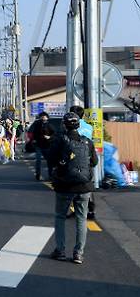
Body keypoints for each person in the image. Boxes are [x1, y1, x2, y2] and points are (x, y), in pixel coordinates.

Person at [47, 112, 98, 264]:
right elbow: (94, 162)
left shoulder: (59, 140)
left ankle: (60, 251)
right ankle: (78, 254)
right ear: (78, 125)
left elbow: (50, 160)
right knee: (81, 219)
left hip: (64, 185)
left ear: (64, 124)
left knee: (60, 216)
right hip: (84, 186)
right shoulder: (87, 142)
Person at [70, 105, 96, 220]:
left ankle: (77, 210)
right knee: (88, 184)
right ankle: (91, 210)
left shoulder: (72, 126)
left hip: (75, 158)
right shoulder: (89, 127)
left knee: (74, 184)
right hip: (88, 157)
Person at [30, 112, 54, 180]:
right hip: (39, 145)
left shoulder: (49, 125)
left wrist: (49, 137)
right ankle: (38, 174)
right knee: (38, 160)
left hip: (47, 145)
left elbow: (54, 134)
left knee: (49, 161)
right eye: (42, 116)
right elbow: (33, 133)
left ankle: (50, 175)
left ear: (47, 117)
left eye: (44, 116)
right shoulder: (37, 124)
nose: (43, 117)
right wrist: (34, 139)